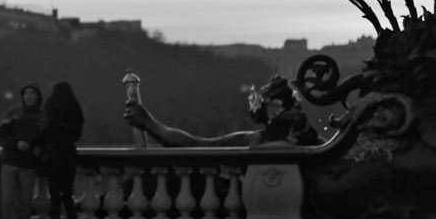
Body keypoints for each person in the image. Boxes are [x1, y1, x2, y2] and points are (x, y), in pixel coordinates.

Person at [124, 74, 321, 147]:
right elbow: (193, 145)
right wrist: (149, 123)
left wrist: (150, 124)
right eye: (276, 106)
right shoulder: (252, 140)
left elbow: (193, 145)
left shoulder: (310, 142)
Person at [0, 82, 43, 219]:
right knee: (7, 199)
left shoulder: (42, 116)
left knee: (25, 201)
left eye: (32, 93)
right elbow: (0, 132)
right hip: (10, 159)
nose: (29, 97)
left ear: (38, 97)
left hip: (28, 163)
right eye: (26, 94)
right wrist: (15, 143)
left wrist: (35, 148)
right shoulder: (14, 113)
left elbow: (44, 138)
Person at [38, 81, 84, 219]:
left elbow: (44, 131)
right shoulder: (74, 109)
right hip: (69, 154)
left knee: (55, 199)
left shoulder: (51, 107)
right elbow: (77, 133)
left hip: (54, 154)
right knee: (68, 197)